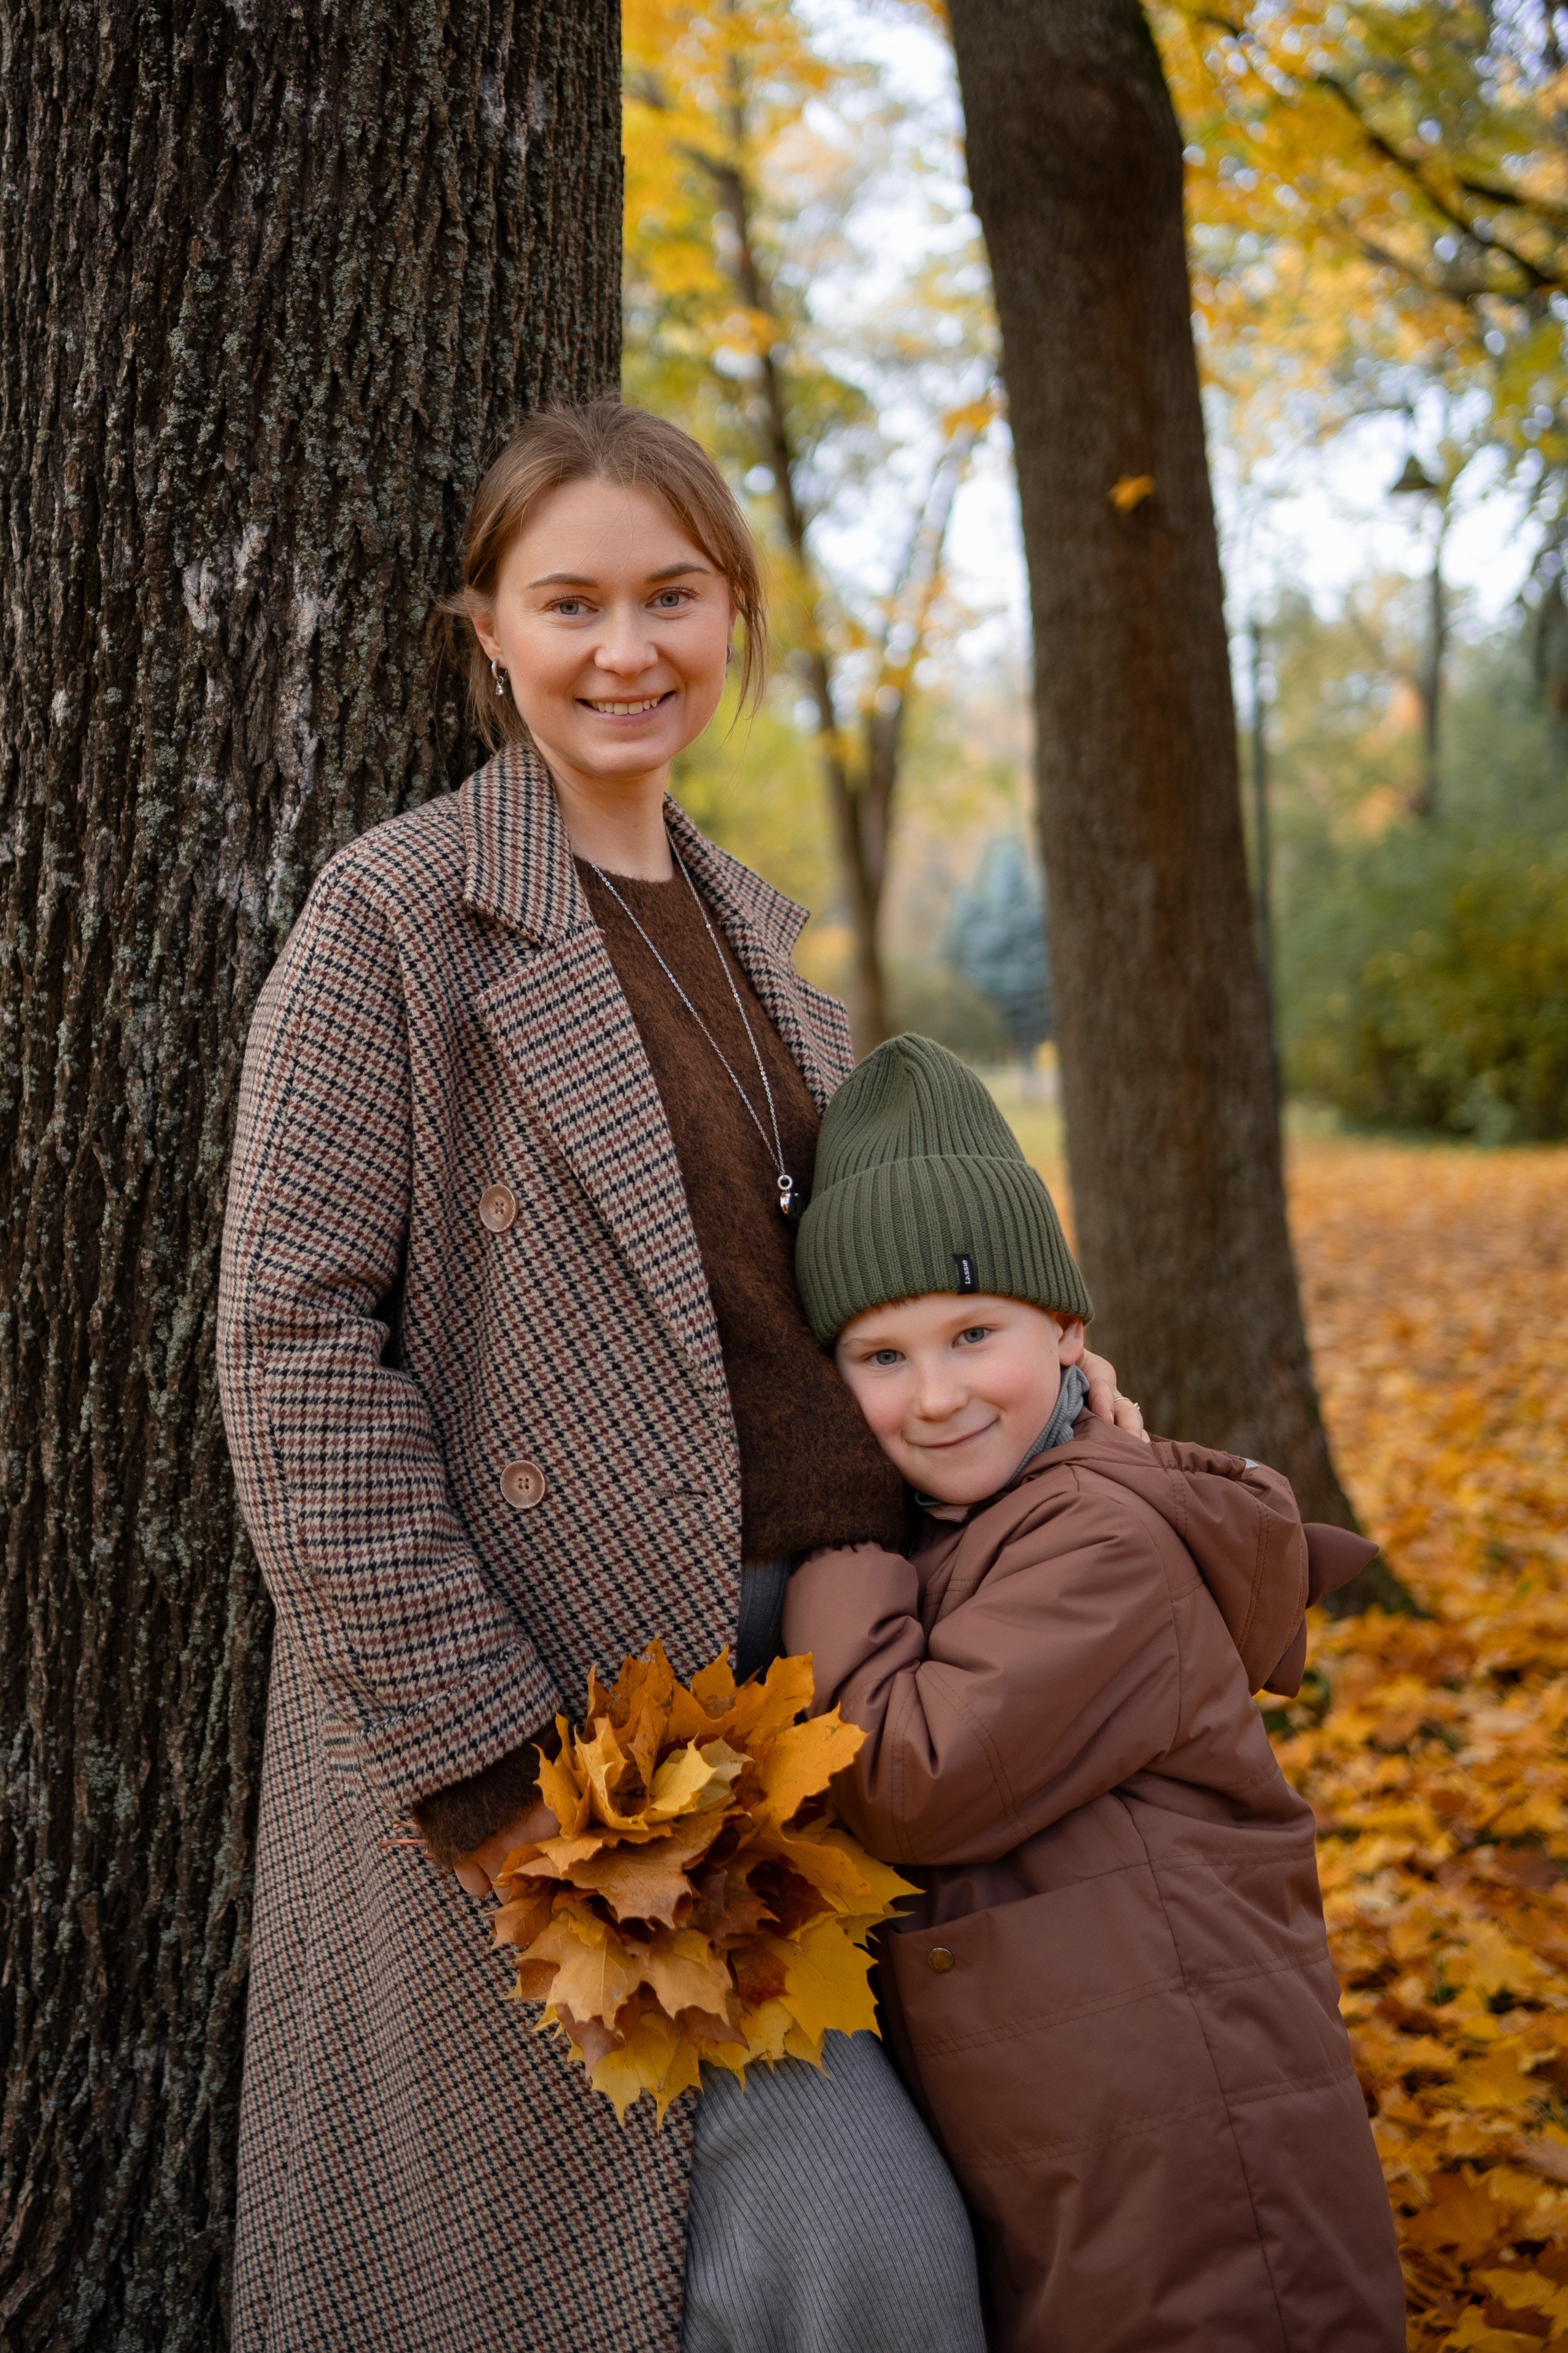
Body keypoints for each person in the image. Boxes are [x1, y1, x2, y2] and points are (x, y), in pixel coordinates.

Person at [216, 402, 1141, 2353]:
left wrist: (1054, 1419)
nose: (623, 648)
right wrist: (485, 1771)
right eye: (568, 602)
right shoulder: (394, 920)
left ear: (731, 616)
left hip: (826, 1708)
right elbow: (292, 1353)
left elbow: (847, 1312)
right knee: (848, 2264)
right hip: (547, 1725)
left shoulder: (766, 955)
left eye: (670, 596)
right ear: (487, 628)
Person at [782, 1034, 1410, 2353]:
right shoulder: (997, 1524)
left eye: (972, 1333)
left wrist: (835, 1545)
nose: (938, 1394)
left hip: (1198, 2162)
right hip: (1094, 2138)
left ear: (1069, 1333)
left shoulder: (1106, 1544)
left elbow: (912, 1778)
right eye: (879, 1357)